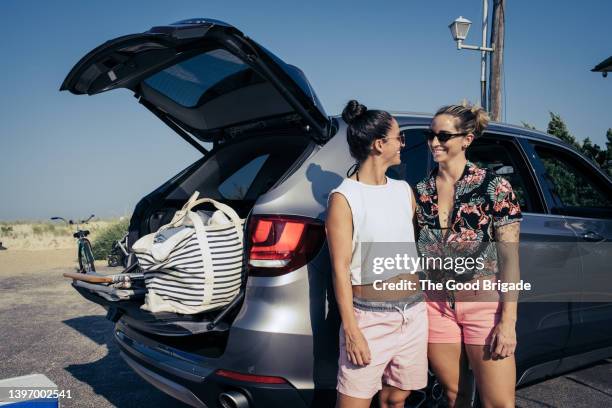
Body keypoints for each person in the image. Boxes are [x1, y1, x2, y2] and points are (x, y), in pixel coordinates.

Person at [415, 103, 522, 407]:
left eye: (444, 136)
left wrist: (508, 322)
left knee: (498, 403)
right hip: (435, 305)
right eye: (431, 135)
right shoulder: (421, 191)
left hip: (483, 306)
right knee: (455, 396)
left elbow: (510, 260)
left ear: (467, 139)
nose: (434, 142)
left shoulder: (495, 187)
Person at [326, 100, 428, 408]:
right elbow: (340, 270)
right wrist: (352, 331)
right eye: (399, 137)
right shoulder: (344, 198)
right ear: (379, 144)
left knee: (398, 398)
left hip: (413, 314)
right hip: (369, 318)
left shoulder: (403, 190)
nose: (403, 144)